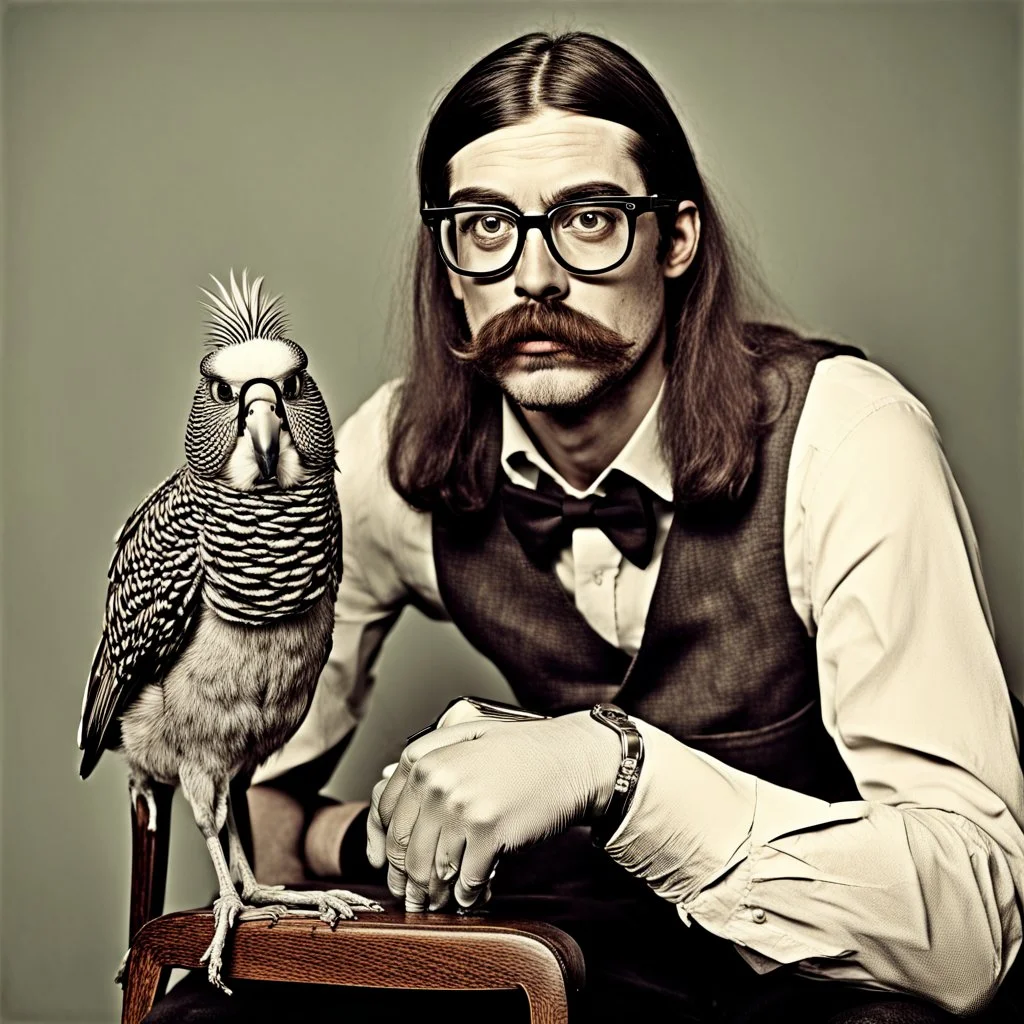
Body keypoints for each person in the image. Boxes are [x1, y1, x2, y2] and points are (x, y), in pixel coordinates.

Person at [145, 30, 1024, 1023]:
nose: (534, 278)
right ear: (448, 255)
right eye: (485, 226)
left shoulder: (847, 436)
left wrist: (607, 765)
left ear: (676, 237)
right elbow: (253, 798)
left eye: (590, 219)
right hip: (554, 969)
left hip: (805, 985)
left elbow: (968, 928)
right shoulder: (395, 453)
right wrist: (366, 837)